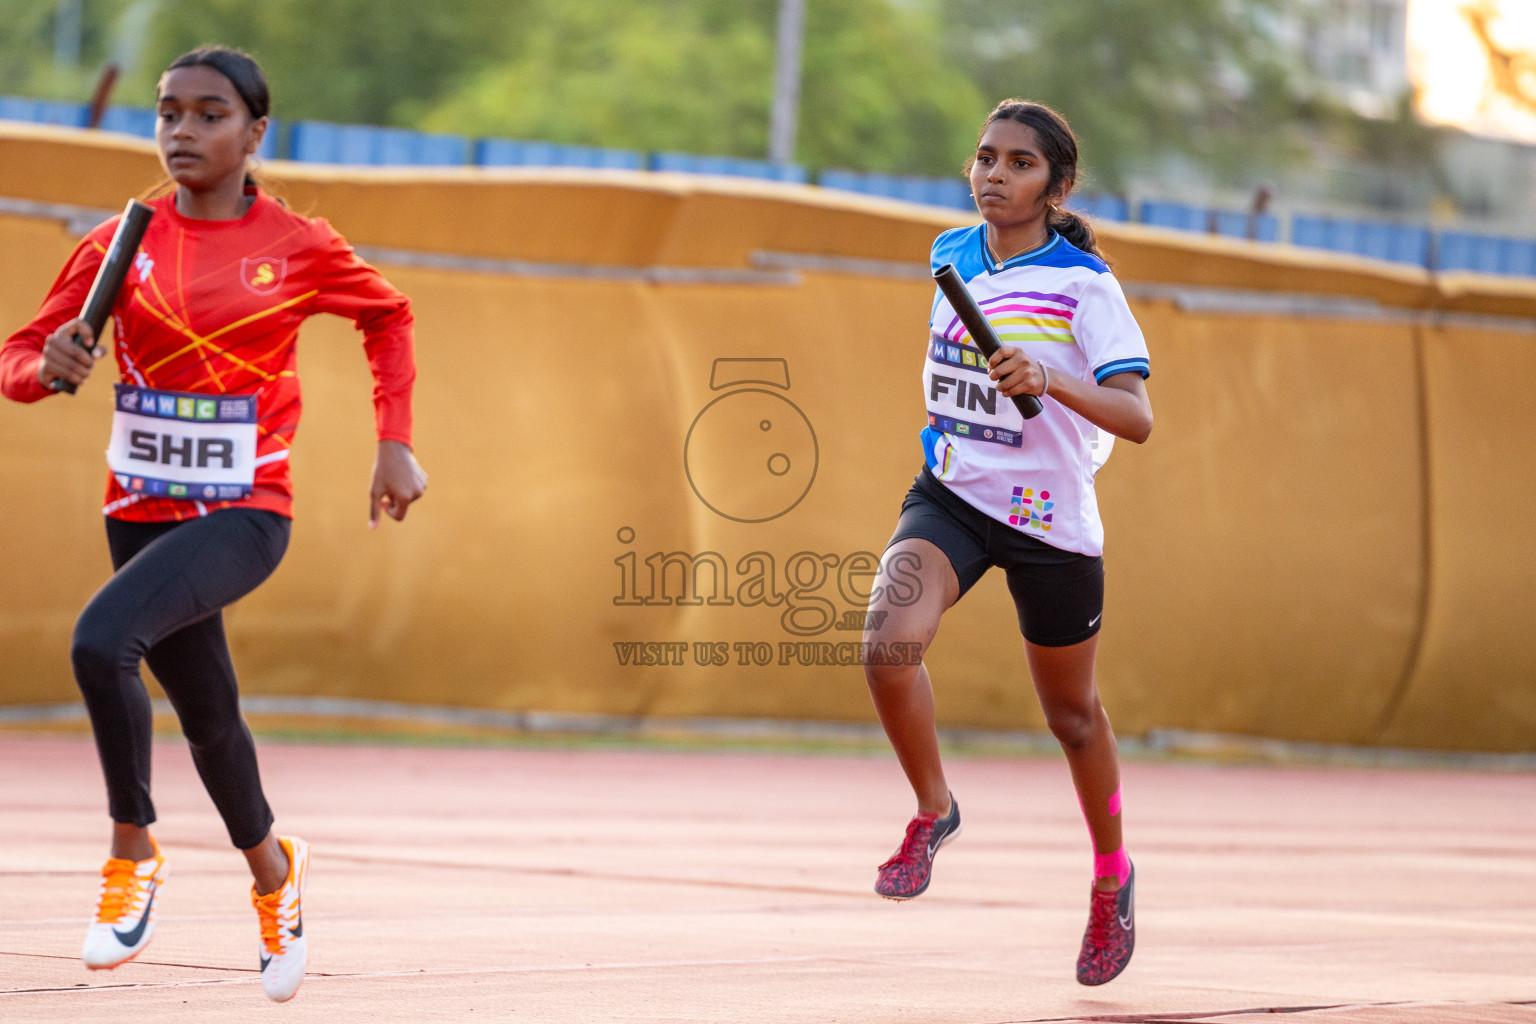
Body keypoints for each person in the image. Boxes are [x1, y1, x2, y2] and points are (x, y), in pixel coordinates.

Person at [0, 45, 427, 1002]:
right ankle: (277, 873)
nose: (182, 132)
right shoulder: (123, 239)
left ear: (254, 133)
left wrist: (393, 441)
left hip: (245, 510)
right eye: (168, 114)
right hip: (139, 508)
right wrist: (47, 369)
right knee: (209, 716)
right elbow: (21, 354)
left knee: (99, 642)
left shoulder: (301, 244)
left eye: (208, 114)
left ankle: (130, 853)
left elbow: (388, 316)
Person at [862, 99, 1152, 986]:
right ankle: (934, 807)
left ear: (1055, 185)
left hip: (1049, 522)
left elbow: (1136, 417)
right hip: (952, 493)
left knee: (1071, 717)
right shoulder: (951, 255)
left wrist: (1052, 378)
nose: (994, 174)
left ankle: (1112, 876)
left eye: (1018, 163)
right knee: (886, 642)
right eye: (984, 158)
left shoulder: (1086, 286)